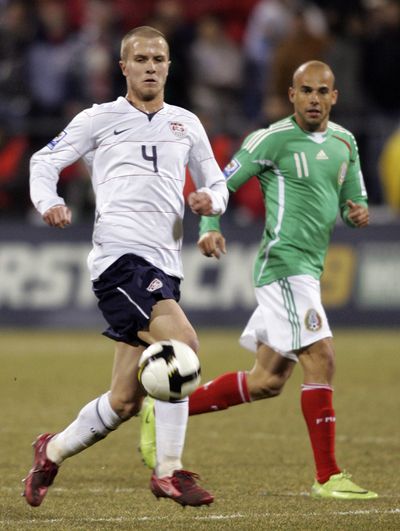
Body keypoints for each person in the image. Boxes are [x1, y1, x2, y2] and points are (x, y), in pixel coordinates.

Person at [140, 60, 378, 500]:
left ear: (334, 97)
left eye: (321, 92)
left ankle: (169, 407)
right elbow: (222, 183)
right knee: (322, 359)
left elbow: (354, 198)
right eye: (304, 90)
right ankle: (328, 477)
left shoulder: (346, 141)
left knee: (267, 381)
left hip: (309, 268)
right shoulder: (271, 140)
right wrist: (210, 225)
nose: (313, 99)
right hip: (283, 266)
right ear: (291, 95)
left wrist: (356, 212)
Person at [23, 25, 228, 508]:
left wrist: (207, 203)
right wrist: (47, 202)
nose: (151, 66)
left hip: (163, 265)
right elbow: (43, 162)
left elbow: (217, 182)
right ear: (123, 67)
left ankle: (49, 451)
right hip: (119, 262)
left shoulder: (186, 123)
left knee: (123, 401)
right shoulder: (97, 119)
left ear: (169, 66)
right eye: (141, 59)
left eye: (159, 58)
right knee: (183, 345)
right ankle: (170, 473)